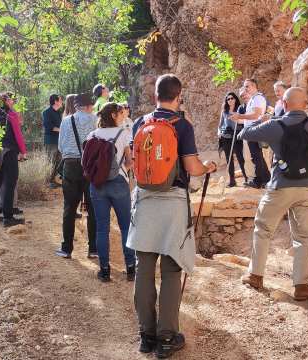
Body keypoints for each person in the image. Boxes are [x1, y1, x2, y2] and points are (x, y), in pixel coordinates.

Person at [128, 74, 217, 358]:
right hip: (173, 202)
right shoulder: (182, 125)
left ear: (155, 96)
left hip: (144, 201)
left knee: (143, 268)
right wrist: (208, 167)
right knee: (171, 268)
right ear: (179, 96)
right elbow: (191, 166)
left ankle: (146, 335)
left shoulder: (140, 123)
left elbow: (137, 163)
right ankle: (166, 337)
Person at [238, 87, 308, 301]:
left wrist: (267, 119)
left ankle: (255, 276)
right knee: (304, 237)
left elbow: (245, 133)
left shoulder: (275, 124)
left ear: (285, 104)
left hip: (280, 186)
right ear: (306, 104)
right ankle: (302, 286)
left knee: (263, 229)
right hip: (307, 187)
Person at [87, 102, 136, 282]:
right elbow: (130, 162)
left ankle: (105, 270)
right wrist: (125, 167)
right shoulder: (122, 134)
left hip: (97, 185)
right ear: (114, 115)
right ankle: (131, 268)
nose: (123, 116)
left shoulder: (92, 134)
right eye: (120, 113)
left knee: (102, 228)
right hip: (118, 183)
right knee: (125, 226)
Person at [56, 93, 98, 259]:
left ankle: (66, 249)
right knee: (92, 208)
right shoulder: (95, 120)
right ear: (88, 106)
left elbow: (60, 146)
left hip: (71, 166)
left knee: (69, 208)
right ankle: (93, 249)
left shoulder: (66, 121)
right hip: (90, 167)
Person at [0, 92, 27, 227]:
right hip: (8, 152)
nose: (13, 101)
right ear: (6, 101)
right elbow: (18, 135)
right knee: (10, 183)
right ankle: (8, 218)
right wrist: (23, 152)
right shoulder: (11, 115)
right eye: (11, 99)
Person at [230, 79, 270, 188]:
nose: (245, 89)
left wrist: (240, 116)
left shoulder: (258, 98)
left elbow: (256, 115)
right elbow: (250, 118)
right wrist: (239, 119)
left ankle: (263, 180)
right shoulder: (253, 99)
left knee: (257, 156)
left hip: (256, 130)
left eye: (247, 86)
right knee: (256, 157)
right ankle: (262, 180)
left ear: (253, 86)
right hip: (252, 130)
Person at [217, 92, 248, 187]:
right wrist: (219, 132)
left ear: (235, 99)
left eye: (232, 98)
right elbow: (220, 124)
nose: (230, 100)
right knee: (229, 159)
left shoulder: (240, 109)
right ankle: (232, 181)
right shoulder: (224, 111)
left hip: (237, 136)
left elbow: (243, 122)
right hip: (226, 137)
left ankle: (246, 178)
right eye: (228, 99)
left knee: (240, 157)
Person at [43, 94, 63, 188]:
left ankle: (54, 180)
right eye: (60, 100)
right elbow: (49, 127)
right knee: (51, 161)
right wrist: (62, 130)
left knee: (58, 161)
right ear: (55, 101)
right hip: (50, 141)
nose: (62, 101)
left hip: (58, 141)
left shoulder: (58, 112)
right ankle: (49, 182)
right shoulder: (46, 112)